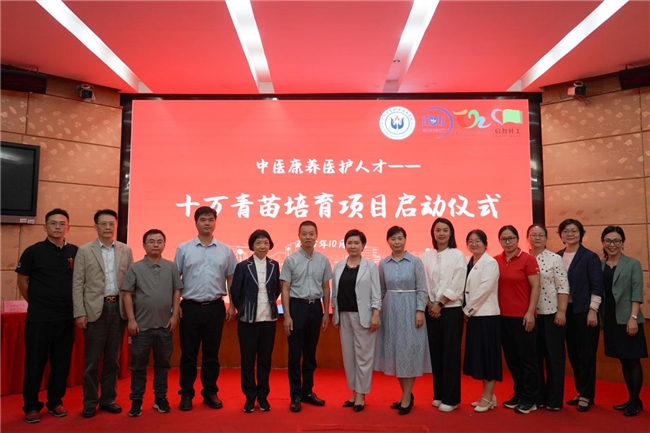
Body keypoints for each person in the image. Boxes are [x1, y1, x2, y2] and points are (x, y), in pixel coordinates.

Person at [15, 208, 79, 424]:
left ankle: (55, 401)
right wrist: (36, 303)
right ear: (45, 227)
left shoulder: (75, 252)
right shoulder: (33, 251)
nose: (57, 227)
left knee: (61, 363)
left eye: (62, 223)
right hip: (39, 318)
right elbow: (22, 281)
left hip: (66, 317)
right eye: (53, 223)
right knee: (35, 363)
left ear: (68, 227)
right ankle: (31, 406)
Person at [174, 206, 237, 411]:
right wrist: (175, 307)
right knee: (188, 354)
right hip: (189, 308)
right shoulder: (184, 249)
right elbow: (176, 281)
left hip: (215, 308)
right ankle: (186, 393)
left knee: (211, 353)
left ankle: (210, 392)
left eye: (210, 219)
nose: (207, 223)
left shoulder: (225, 250)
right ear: (196, 223)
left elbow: (231, 279)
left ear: (215, 222)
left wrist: (232, 305)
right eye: (203, 220)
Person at [73, 209, 133, 418]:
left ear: (116, 226)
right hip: (94, 311)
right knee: (92, 360)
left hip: (118, 309)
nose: (108, 227)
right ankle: (90, 401)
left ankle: (109, 399)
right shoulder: (84, 251)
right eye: (103, 224)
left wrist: (131, 313)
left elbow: (131, 284)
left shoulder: (126, 250)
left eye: (111, 224)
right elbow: (77, 284)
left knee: (113, 359)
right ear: (96, 226)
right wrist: (79, 312)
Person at [121, 229, 182, 417]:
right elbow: (127, 294)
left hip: (165, 326)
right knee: (138, 366)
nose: (156, 244)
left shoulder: (171, 267)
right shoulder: (135, 268)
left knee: (163, 365)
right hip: (141, 328)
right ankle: (136, 400)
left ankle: (160, 398)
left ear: (164, 245)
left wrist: (174, 315)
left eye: (159, 241)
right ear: (144, 245)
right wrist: (131, 320)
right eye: (151, 241)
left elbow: (176, 291)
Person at [374, 226, 430, 416]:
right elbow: (381, 290)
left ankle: (406, 396)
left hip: (411, 309)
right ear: (388, 241)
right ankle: (406, 394)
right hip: (390, 310)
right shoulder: (383, 264)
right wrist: (378, 312)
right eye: (393, 239)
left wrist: (420, 310)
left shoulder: (415, 262)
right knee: (396, 353)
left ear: (405, 239)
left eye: (399, 238)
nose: (396, 242)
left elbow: (422, 288)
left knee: (409, 352)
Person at [280, 220, 332, 413]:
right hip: (297, 307)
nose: (308, 237)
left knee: (310, 353)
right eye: (304, 233)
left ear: (316, 236)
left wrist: (326, 312)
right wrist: (287, 315)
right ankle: (295, 395)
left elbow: (326, 287)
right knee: (295, 354)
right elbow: (285, 288)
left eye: (311, 233)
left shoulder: (323, 260)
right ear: (299, 236)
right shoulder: (291, 260)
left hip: (315, 308)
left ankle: (307, 392)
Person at [230, 229, 282, 413]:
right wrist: (245, 308)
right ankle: (249, 397)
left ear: (270, 245)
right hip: (248, 320)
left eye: (266, 243)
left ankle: (263, 397)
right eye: (258, 243)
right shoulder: (243, 266)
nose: (262, 246)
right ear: (252, 245)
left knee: (265, 360)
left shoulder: (274, 265)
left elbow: (276, 290)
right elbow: (235, 292)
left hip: (268, 319)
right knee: (247, 360)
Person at [556, 218, 604, 412]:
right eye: (566, 231)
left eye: (574, 231)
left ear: (581, 234)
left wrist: (593, 310)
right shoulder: (557, 256)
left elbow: (597, 286)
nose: (570, 234)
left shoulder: (589, 257)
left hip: (584, 311)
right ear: (561, 235)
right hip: (564, 311)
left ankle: (586, 394)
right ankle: (581, 390)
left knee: (586, 354)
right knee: (574, 354)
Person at [331, 229, 381, 412]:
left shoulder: (371, 267)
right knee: (349, 357)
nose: (353, 246)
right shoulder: (338, 266)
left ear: (363, 246)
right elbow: (335, 293)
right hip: (344, 316)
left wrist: (376, 314)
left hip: (364, 316)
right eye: (349, 243)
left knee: (363, 357)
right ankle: (354, 391)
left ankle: (361, 393)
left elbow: (376, 293)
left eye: (356, 243)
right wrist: (334, 313)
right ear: (345, 245)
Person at [600, 226, 647, 417]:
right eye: (608, 241)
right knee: (623, 360)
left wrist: (633, 318)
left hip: (628, 319)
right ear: (603, 243)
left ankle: (635, 401)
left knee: (633, 360)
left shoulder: (632, 264)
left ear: (622, 243)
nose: (612, 244)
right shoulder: (600, 264)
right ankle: (632, 399)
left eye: (616, 241)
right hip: (610, 319)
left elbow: (637, 292)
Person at [495, 225, 541, 415]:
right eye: (504, 239)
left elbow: (536, 287)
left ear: (517, 239)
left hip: (523, 317)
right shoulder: (495, 260)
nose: (508, 242)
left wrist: (530, 312)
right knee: (512, 359)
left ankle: (531, 398)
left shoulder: (528, 259)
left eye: (511, 238)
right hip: (502, 317)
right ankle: (519, 394)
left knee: (527, 359)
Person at [421, 218, 466, 412]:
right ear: (433, 233)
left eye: (445, 230)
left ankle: (452, 398)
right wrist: (430, 304)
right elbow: (423, 282)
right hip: (431, 309)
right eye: (438, 230)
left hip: (450, 309)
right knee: (436, 353)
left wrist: (440, 304)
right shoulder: (426, 256)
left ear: (451, 233)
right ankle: (439, 394)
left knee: (450, 354)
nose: (441, 233)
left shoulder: (457, 255)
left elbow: (457, 282)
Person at [527, 224, 569, 411]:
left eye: (541, 235)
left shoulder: (555, 259)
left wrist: (562, 311)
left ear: (546, 238)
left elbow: (563, 286)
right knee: (533, 357)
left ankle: (554, 400)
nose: (537, 238)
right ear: (527, 237)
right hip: (529, 314)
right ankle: (537, 397)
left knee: (554, 357)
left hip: (551, 313)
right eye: (533, 235)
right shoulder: (524, 258)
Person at [462, 229, 502, 413]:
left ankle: (488, 396)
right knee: (480, 357)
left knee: (489, 357)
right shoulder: (469, 262)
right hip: (475, 317)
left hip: (487, 316)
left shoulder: (490, 263)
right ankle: (487, 396)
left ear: (486, 244)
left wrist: (468, 310)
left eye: (478, 241)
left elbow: (484, 289)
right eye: (470, 241)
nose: (474, 244)